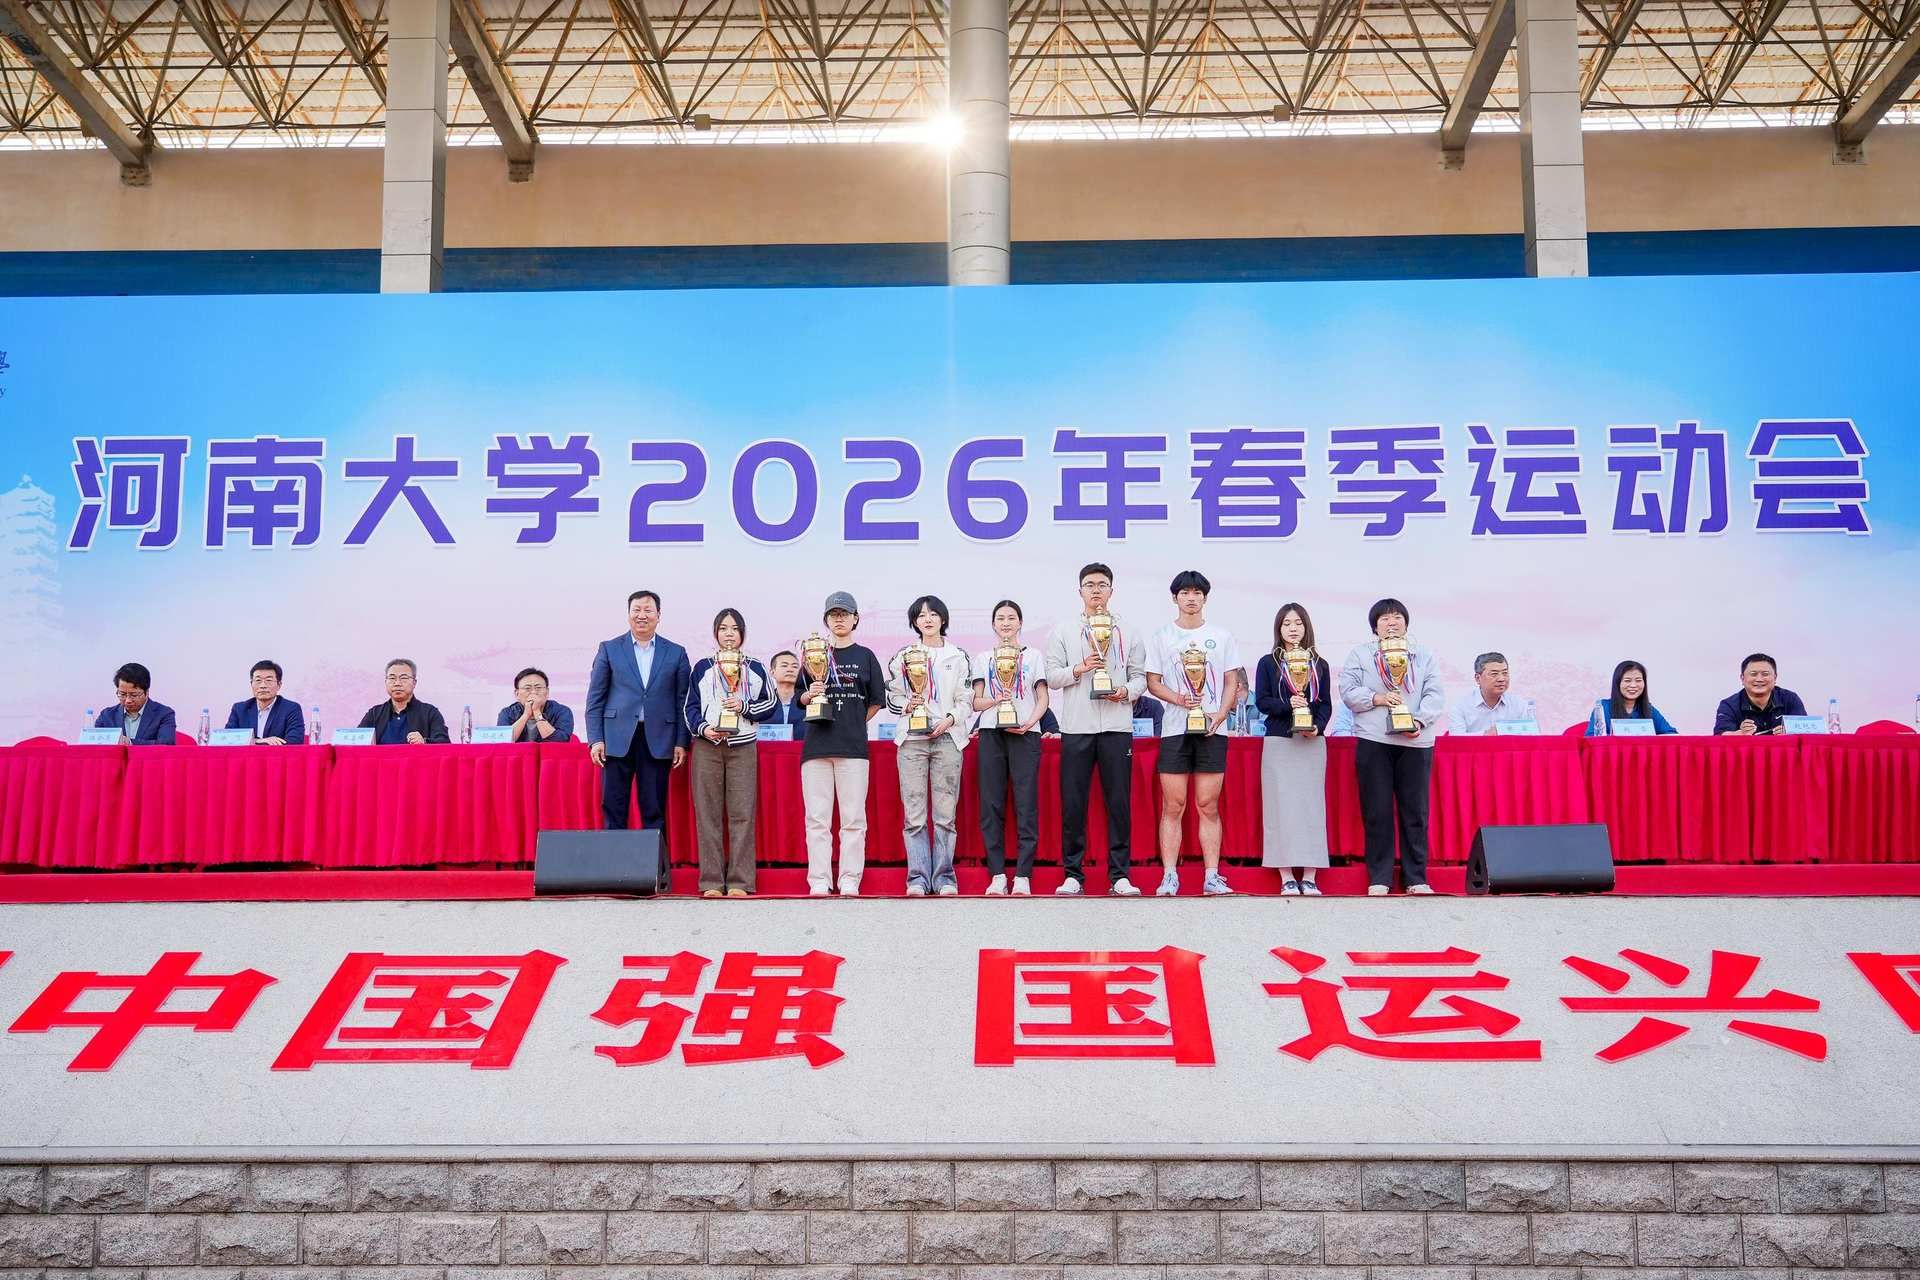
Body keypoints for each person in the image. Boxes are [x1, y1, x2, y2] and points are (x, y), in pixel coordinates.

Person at [1043, 561, 1146, 896]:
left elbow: (1140, 677)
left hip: (1117, 726)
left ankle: (1120, 876)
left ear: (1112, 590)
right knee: (1073, 804)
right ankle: (1073, 874)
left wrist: (1125, 692)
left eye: (1102, 584)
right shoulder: (1064, 630)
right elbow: (1052, 676)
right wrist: (1080, 668)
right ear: (1080, 591)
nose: (1096, 590)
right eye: (1090, 585)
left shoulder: (1127, 630)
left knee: (1119, 803)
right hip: (1077, 727)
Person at [1144, 569, 1243, 897]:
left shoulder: (1221, 636)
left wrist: (1221, 714)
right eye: (1185, 593)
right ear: (1175, 598)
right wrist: (1179, 699)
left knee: (1207, 804)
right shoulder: (1161, 636)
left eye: (1197, 593)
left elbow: (1231, 681)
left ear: (1205, 598)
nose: (1191, 598)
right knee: (1173, 805)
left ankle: (1212, 876)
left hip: (1212, 729)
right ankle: (1169, 875)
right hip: (1175, 729)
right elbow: (1153, 682)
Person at [1340, 598, 1444, 895]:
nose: (1391, 623)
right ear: (1375, 627)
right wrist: (1377, 698)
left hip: (1416, 740)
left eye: (1397, 617)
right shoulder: (1361, 654)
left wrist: (1419, 721)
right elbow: (1348, 691)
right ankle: (1380, 878)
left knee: (1416, 812)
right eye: (1384, 618)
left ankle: (1416, 878)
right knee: (1377, 811)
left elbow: (1435, 693)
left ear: (1406, 623)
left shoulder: (1423, 654)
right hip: (1374, 739)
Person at [586, 591, 691, 883]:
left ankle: (655, 874)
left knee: (654, 808)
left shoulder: (676, 652)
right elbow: (595, 698)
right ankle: (613, 873)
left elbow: (682, 701)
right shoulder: (609, 649)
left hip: (658, 739)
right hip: (616, 739)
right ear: (628, 613)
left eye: (648, 610)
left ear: (659, 615)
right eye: (636, 609)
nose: (642, 615)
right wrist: (596, 739)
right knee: (613, 807)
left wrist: (681, 741)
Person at [797, 591, 886, 895]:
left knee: (853, 819)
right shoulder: (814, 653)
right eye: (833, 614)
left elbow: (876, 700)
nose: (839, 619)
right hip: (816, 747)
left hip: (853, 748)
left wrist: (855, 721)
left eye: (844, 614)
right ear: (826, 620)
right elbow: (800, 697)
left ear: (855, 618)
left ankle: (849, 878)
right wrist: (810, 695)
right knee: (817, 819)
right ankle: (819, 880)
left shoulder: (866, 656)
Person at [684, 608, 777, 898]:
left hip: (743, 746)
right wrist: (703, 729)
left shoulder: (756, 667)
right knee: (707, 814)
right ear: (716, 633)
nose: (729, 634)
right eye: (723, 628)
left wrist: (744, 707)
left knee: (742, 814)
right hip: (707, 747)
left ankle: (740, 881)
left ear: (742, 634)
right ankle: (711, 881)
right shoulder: (702, 667)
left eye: (735, 629)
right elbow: (690, 707)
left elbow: (771, 704)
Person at [885, 595, 973, 897]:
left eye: (933, 614)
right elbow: (892, 696)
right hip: (912, 740)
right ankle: (918, 879)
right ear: (915, 621)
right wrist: (907, 705)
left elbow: (966, 699)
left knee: (945, 815)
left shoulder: (958, 656)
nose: (927, 619)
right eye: (921, 615)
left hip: (948, 738)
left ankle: (945, 877)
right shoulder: (903, 656)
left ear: (943, 619)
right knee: (914, 815)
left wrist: (950, 719)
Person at [970, 599, 1050, 895]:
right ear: (993, 624)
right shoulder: (983, 658)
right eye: (1001, 618)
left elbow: (1042, 697)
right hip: (992, 732)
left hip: (1026, 734)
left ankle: (1023, 875)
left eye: (1011, 618)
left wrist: (1030, 722)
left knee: (1026, 803)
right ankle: (997, 875)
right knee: (991, 805)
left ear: (1020, 623)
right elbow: (975, 702)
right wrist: (997, 700)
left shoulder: (1034, 656)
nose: (1006, 623)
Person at [1253, 603, 1332, 896]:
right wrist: (1289, 705)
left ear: (1306, 626)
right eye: (1286, 623)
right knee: (1279, 808)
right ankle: (1285, 874)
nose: (1293, 628)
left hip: (1311, 743)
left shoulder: (1319, 664)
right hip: (1279, 740)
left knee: (1311, 808)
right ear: (1279, 629)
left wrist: (1317, 727)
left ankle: (1310, 875)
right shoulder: (1267, 663)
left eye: (1298, 623)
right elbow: (1262, 702)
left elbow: (1325, 703)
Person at [357, 658, 451, 744]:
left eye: (403, 678)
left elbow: (444, 743)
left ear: (414, 683)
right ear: (386, 682)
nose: (397, 683)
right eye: (392, 678)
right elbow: (357, 741)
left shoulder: (430, 712)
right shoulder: (374, 713)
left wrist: (425, 742)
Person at [1714, 652, 1808, 735]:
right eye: (1753, 674)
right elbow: (1721, 736)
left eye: (1765, 674)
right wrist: (1739, 734)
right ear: (1742, 678)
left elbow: (1806, 731)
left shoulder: (1790, 699)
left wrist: (1790, 732)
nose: (1759, 679)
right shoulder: (1729, 705)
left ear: (1775, 678)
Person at [1446, 652, 1536, 735]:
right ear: (1478, 678)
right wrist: (1485, 734)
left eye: (1505, 673)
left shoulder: (1519, 704)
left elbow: (1531, 736)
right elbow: (1455, 739)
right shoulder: (1460, 706)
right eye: (1494, 674)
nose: (1501, 679)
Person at [224, 659, 305, 744]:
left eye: (269, 680)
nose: (263, 685)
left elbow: (295, 740)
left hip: (276, 753)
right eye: (258, 680)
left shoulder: (291, 709)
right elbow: (227, 738)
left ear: (279, 685)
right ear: (251, 684)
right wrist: (257, 741)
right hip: (247, 753)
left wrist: (258, 744)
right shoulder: (239, 709)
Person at [95, 662, 177, 745]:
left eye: (134, 695)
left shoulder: (164, 714)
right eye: (122, 694)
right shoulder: (107, 716)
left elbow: (166, 744)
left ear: (146, 692)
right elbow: (93, 743)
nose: (128, 700)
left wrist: (130, 742)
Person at [1589, 660, 1679, 735]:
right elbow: (1591, 739)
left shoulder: (1648, 709)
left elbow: (1671, 734)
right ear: (1617, 683)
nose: (1633, 685)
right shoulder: (1603, 708)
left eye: (1638, 680)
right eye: (1627, 680)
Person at [498, 667, 574, 742]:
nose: (533, 692)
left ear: (547, 692)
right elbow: (503, 740)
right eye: (527, 688)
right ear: (517, 694)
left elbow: (560, 740)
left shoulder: (561, 711)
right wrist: (526, 715)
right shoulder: (507, 713)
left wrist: (537, 712)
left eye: (538, 687)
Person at [764, 650, 809, 736]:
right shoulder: (763, 702)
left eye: (795, 667)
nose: (790, 670)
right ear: (772, 672)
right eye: (784, 666)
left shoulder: (808, 700)